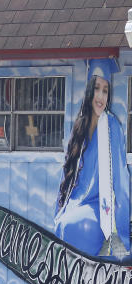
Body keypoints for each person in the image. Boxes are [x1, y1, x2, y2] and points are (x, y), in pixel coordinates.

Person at [54, 57, 131, 259]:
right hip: (76, 201)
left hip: (100, 206)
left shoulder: (112, 126)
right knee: (62, 222)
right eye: (97, 88)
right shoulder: (79, 128)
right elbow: (67, 175)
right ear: (89, 91)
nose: (101, 96)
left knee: (74, 225)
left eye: (105, 90)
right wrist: (59, 210)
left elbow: (121, 181)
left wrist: (121, 234)